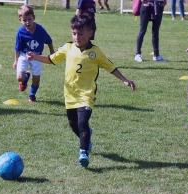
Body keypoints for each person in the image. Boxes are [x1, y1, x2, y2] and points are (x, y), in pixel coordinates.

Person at [27, 13, 135, 168]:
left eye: (80, 34)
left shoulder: (95, 52)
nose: (76, 37)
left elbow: (110, 67)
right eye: (74, 33)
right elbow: (52, 59)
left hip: (86, 94)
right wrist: (36, 57)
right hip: (70, 94)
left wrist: (125, 79)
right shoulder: (67, 48)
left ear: (90, 33)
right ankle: (87, 137)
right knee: (73, 124)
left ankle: (83, 152)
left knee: (82, 121)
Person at [13, 5, 54, 103]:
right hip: (24, 55)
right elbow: (17, 48)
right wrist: (16, 60)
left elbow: (49, 41)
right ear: (20, 20)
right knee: (19, 78)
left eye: (29, 19)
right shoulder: (20, 32)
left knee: (36, 80)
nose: (27, 22)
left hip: (37, 57)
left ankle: (32, 95)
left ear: (34, 18)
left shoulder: (40, 30)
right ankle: (25, 77)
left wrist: (52, 53)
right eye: (24, 20)